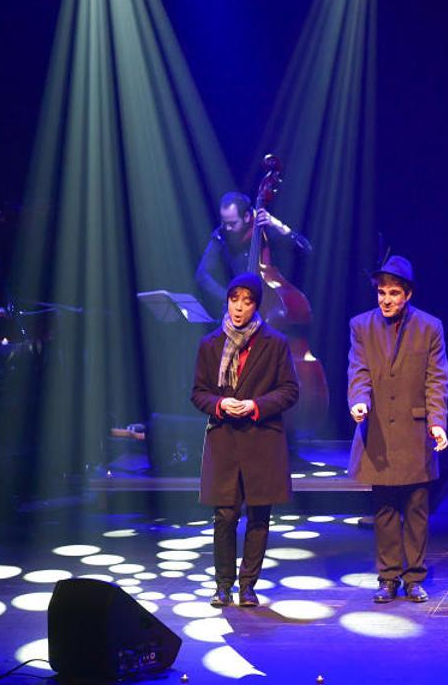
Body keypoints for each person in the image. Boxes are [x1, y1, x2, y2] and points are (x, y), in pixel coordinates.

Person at [192, 272, 299, 608]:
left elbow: (290, 390)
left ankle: (248, 585)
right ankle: (223, 585)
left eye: (247, 301)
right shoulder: (210, 343)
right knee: (224, 516)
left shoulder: (275, 343)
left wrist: (255, 405)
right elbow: (198, 393)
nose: (239, 307)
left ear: (256, 305)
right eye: (234, 299)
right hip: (225, 440)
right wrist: (220, 404)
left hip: (261, 440)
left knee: (258, 515)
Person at [348, 256, 448, 604]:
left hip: (415, 432)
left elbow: (437, 380)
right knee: (385, 509)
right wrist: (359, 401)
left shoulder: (430, 327)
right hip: (378, 429)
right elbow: (359, 370)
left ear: (407, 295)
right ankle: (388, 577)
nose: (386, 299)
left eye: (393, 293)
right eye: (381, 292)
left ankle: (414, 577)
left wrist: (437, 423)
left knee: (417, 508)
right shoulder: (361, 326)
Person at [195, 192, 267, 317]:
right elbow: (202, 275)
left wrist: (279, 227)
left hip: (268, 308)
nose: (227, 228)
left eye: (232, 224)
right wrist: (228, 296)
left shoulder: (264, 228)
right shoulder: (221, 236)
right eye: (224, 223)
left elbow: (300, 247)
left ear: (246, 217)